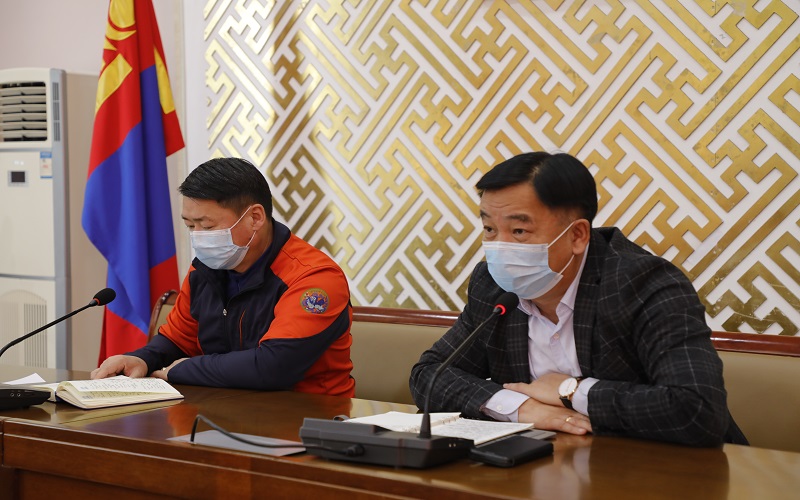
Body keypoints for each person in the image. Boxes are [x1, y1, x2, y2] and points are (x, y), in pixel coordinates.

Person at [409, 151, 747, 446]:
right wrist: (521, 408)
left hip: (669, 473)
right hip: (546, 468)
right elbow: (429, 375)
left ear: (577, 235)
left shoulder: (643, 284)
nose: (500, 247)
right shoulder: (491, 286)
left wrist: (570, 391)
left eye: (519, 231)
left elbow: (697, 411)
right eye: (489, 229)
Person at [92, 157, 355, 397]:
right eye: (190, 226)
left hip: (311, 417)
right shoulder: (204, 270)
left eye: (207, 226)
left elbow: (273, 366)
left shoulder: (314, 278)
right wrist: (141, 359)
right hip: (224, 410)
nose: (197, 237)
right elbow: (179, 338)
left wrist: (182, 370)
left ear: (255, 218)